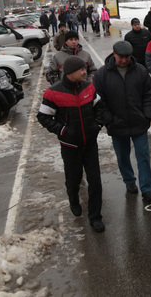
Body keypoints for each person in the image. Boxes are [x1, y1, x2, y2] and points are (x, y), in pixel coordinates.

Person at [37, 56, 105, 233]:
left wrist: (97, 125)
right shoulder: (53, 93)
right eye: (81, 70)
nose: (85, 72)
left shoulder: (88, 87)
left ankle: (95, 217)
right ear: (70, 73)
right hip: (70, 148)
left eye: (85, 69)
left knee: (95, 182)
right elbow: (43, 117)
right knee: (73, 180)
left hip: (90, 144)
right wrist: (63, 131)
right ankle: (73, 200)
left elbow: (100, 107)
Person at [94, 41, 151, 202]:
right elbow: (98, 101)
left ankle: (147, 189)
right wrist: (109, 121)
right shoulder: (102, 74)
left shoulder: (140, 71)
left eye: (127, 57)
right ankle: (129, 181)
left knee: (143, 155)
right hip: (116, 124)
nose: (124, 60)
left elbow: (149, 93)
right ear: (114, 54)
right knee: (122, 156)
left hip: (139, 121)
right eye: (121, 57)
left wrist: (148, 115)